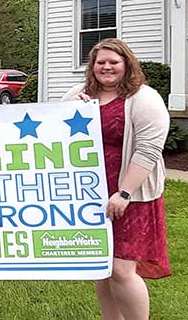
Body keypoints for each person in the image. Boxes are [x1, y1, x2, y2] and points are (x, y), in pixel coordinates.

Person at [62, 38, 171, 320]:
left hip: (129, 193)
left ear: (127, 64)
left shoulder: (144, 98)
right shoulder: (80, 92)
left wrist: (124, 193)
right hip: (91, 192)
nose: (106, 67)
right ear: (92, 66)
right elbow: (54, 131)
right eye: (101, 62)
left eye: (113, 62)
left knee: (122, 269)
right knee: (101, 266)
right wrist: (70, 108)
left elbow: (148, 150)